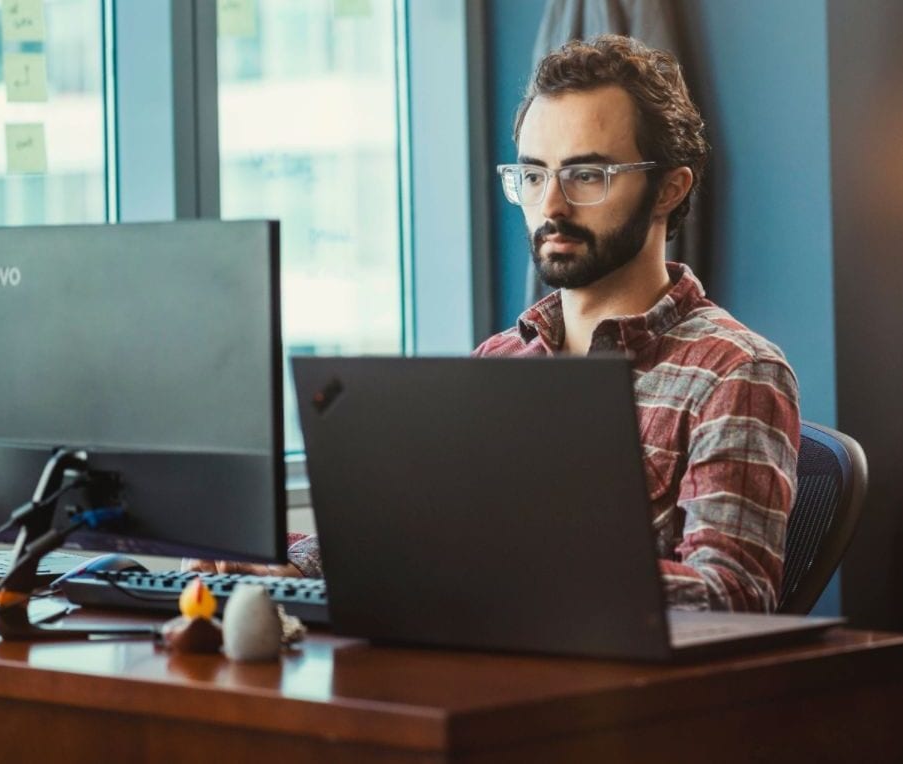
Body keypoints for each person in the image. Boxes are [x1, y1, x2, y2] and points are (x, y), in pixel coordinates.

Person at [189, 34, 800, 613]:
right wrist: (280, 559)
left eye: (587, 176)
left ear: (669, 189)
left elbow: (732, 594)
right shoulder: (501, 358)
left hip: (622, 708)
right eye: (534, 175)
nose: (551, 207)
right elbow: (423, 535)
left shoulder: (735, 371)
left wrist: (500, 566)